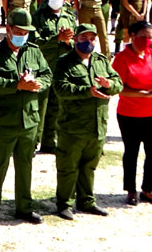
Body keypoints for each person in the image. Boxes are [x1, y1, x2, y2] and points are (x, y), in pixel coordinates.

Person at [0, 8, 52, 226]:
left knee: (25, 166)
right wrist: (16, 85)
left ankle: (24, 208)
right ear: (8, 29)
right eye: (19, 31)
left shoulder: (33, 51)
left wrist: (38, 85)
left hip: (29, 120)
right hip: (4, 121)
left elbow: (47, 74)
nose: (23, 35)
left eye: (26, 31)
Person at [52, 23, 123, 220]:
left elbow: (119, 83)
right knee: (68, 167)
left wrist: (110, 85)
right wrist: (86, 91)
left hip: (97, 125)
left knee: (89, 166)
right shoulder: (64, 62)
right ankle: (64, 203)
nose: (88, 42)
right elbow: (60, 88)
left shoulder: (101, 60)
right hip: (73, 126)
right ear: (75, 39)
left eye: (92, 39)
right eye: (84, 38)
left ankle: (87, 201)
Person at [111, 20, 152, 206]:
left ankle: (148, 189)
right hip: (130, 113)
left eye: (150, 38)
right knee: (132, 152)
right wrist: (140, 94)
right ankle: (131, 190)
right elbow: (117, 87)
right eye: (143, 37)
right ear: (132, 36)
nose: (147, 41)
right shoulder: (121, 58)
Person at [30, 0, 77, 153]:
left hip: (62, 67)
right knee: (40, 105)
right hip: (43, 66)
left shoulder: (69, 16)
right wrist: (55, 39)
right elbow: (33, 41)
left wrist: (67, 41)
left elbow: (75, 42)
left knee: (57, 105)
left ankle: (50, 143)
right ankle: (33, 142)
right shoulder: (38, 16)